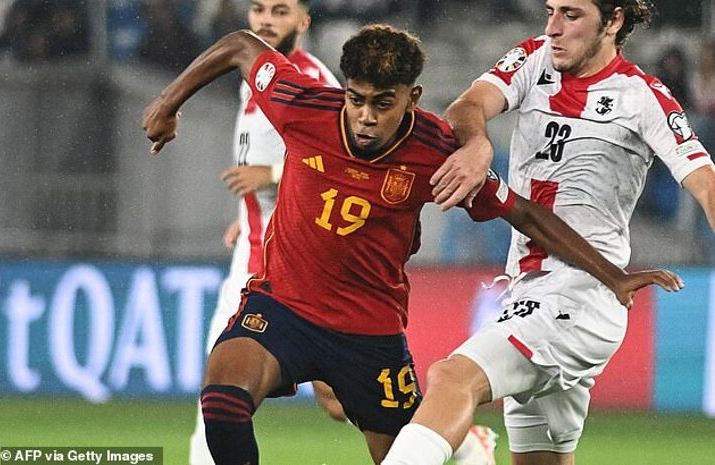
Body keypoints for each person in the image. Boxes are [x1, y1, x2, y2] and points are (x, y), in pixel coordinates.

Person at [143, 23, 682, 465]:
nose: (366, 117)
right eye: (356, 100)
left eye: (383, 103)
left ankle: (468, 448)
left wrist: (612, 274)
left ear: (412, 98)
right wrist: (168, 103)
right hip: (282, 307)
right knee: (222, 399)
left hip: (368, 336)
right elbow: (241, 45)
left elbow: (523, 212)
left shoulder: (433, 151)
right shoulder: (301, 105)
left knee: (404, 453)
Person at [382, 1, 715, 464]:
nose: (553, 28)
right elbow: (468, 106)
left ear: (614, 21)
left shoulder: (643, 96)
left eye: (571, 15)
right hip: (529, 288)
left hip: (582, 293)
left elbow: (706, 184)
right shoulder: (535, 56)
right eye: (550, 11)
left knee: (452, 378)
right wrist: (478, 144)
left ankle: (471, 453)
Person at [188, 1, 346, 464]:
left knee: (341, 399)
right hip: (253, 257)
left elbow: (343, 168)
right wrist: (251, 211)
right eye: (259, 9)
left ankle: (453, 440)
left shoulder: (314, 84)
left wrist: (272, 176)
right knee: (219, 387)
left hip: (300, 265)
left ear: (304, 21)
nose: (266, 21)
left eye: (281, 11)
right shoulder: (254, 78)